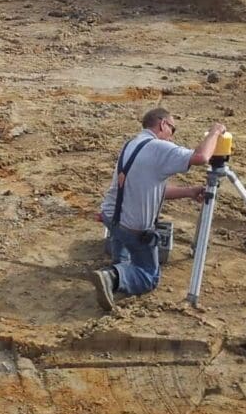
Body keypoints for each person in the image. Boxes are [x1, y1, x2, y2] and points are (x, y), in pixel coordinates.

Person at [92, 108, 227, 311]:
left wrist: (189, 191)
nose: (172, 136)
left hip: (110, 218)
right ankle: (113, 276)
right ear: (163, 124)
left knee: (124, 240)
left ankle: (120, 262)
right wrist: (215, 132)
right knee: (148, 277)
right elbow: (201, 157)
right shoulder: (159, 148)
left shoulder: (132, 144)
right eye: (173, 129)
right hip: (132, 228)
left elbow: (151, 189)